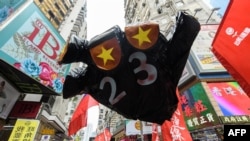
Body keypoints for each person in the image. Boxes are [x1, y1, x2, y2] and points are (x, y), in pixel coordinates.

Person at [58, 11, 200, 124]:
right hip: (145, 95)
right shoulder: (91, 79)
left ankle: (81, 51)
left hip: (146, 96)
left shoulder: (161, 95)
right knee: (172, 57)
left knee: (173, 56)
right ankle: (81, 51)